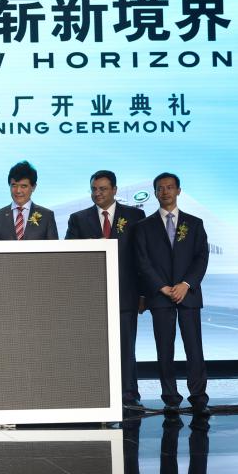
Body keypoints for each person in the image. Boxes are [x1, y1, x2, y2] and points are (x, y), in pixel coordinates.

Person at [65, 170, 147, 409]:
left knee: (126, 348)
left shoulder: (135, 216)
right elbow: (69, 257)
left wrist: (143, 293)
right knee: (92, 349)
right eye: (94, 189)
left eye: (102, 189)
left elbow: (143, 257)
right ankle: (94, 395)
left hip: (126, 294)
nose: (97, 193)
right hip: (91, 298)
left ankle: (129, 396)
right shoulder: (78, 219)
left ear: (115, 190)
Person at [134, 172, 210, 415]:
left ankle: (198, 397)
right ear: (155, 193)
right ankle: (170, 397)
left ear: (178, 191)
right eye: (160, 188)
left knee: (194, 348)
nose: (165, 191)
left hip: (188, 294)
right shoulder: (143, 227)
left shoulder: (194, 223)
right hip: (160, 296)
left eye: (169, 187)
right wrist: (161, 287)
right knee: (164, 350)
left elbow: (201, 258)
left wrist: (185, 284)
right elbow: (142, 261)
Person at [0, 160, 59, 240]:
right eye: (14, 185)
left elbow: (53, 247)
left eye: (23, 186)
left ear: (33, 187)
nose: (18, 191)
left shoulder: (47, 216)